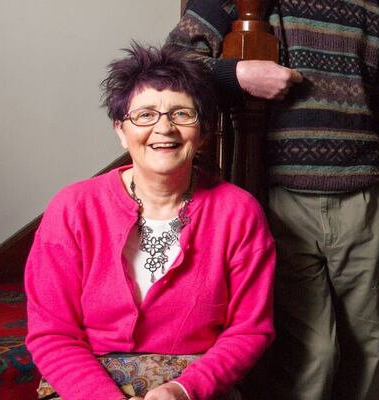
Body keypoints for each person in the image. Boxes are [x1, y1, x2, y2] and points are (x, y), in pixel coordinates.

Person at [166, 0, 379, 400]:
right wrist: (239, 73)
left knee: (364, 342)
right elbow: (176, 59)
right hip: (284, 197)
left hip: (362, 201)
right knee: (312, 350)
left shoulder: (368, 1)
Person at [25, 43, 275, 400]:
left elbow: (250, 330)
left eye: (182, 115)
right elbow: (52, 333)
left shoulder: (239, 213)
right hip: (85, 382)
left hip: (196, 384)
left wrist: (183, 390)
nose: (164, 128)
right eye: (145, 115)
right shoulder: (72, 208)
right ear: (120, 129)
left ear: (203, 133)